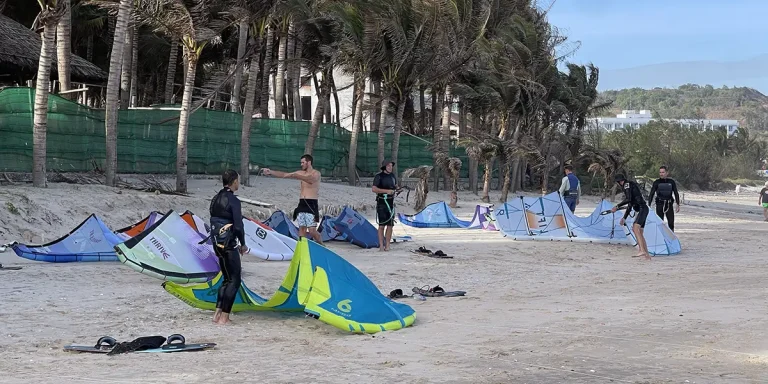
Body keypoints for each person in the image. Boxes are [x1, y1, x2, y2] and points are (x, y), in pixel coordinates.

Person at [209, 169, 248, 325]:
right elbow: (238, 225)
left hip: (216, 243)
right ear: (234, 182)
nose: (238, 183)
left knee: (226, 279)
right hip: (228, 244)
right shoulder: (233, 200)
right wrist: (243, 244)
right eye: (237, 180)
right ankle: (225, 317)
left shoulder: (215, 198)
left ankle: (217, 314)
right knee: (235, 280)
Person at [262, 154, 324, 245]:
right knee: (302, 228)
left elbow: (311, 180)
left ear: (309, 162)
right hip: (302, 203)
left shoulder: (316, 173)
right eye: (301, 163)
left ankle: (322, 245)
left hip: (312, 203)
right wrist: (271, 172)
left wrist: (297, 176)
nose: (301, 164)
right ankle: (301, 248)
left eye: (303, 162)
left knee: (312, 231)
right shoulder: (300, 173)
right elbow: (284, 175)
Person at [610, 174, 651, 260]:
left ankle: (642, 250)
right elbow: (630, 204)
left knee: (635, 229)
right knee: (640, 232)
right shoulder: (629, 185)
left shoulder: (626, 185)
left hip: (642, 209)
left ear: (619, 182)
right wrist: (624, 218)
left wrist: (617, 206)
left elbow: (628, 199)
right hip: (643, 209)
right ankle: (647, 255)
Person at [372, 160, 400, 251]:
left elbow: (395, 185)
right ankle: (381, 246)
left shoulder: (392, 176)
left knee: (390, 225)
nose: (390, 168)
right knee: (381, 225)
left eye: (391, 166)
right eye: (388, 166)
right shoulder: (379, 176)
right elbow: (374, 189)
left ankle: (387, 245)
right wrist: (386, 191)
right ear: (384, 167)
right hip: (382, 203)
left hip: (391, 202)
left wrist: (397, 189)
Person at [647, 165, 680, 231]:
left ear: (667, 173)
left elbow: (676, 193)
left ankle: (671, 238)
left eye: (663, 172)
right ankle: (661, 238)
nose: (661, 174)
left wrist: (677, 204)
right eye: (660, 172)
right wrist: (649, 205)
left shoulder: (671, 182)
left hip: (668, 204)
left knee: (671, 222)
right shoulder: (656, 182)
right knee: (659, 222)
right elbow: (651, 193)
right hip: (659, 203)